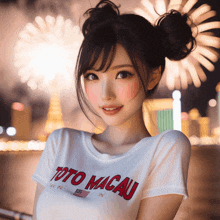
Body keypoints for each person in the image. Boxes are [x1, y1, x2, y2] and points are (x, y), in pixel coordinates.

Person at [32, 0, 194, 219]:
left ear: (152, 76)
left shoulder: (164, 149)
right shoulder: (61, 143)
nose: (105, 94)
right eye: (93, 76)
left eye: (122, 74)